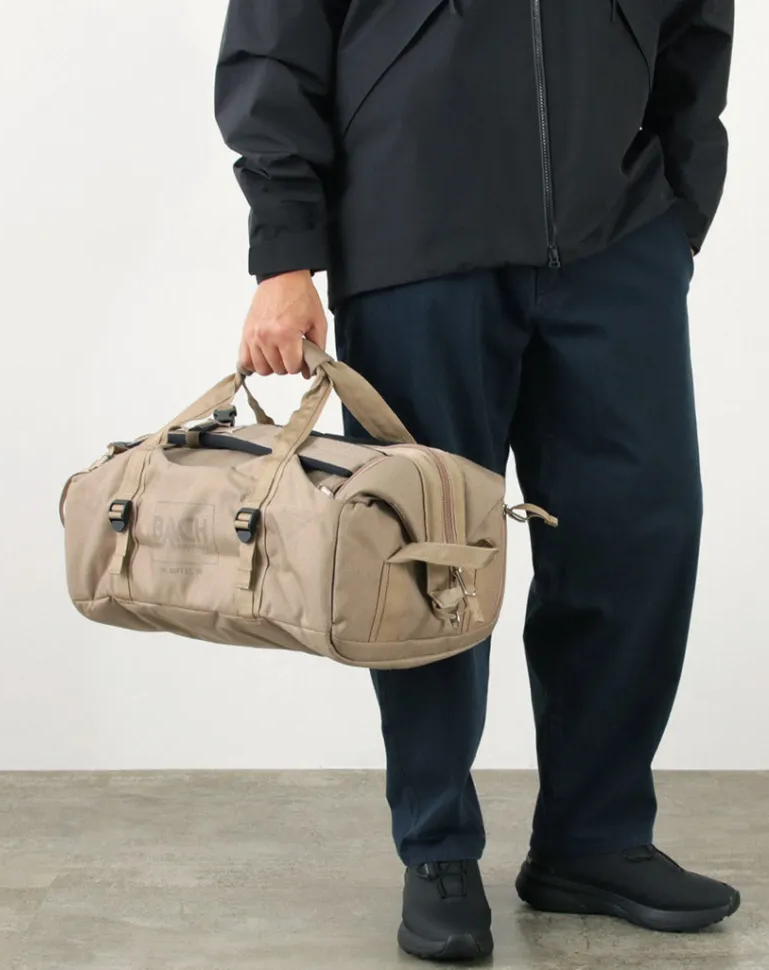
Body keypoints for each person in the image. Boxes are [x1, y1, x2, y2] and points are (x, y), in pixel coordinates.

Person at [215, 0, 737, 960]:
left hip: (619, 235)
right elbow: (274, 39)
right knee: (422, 557)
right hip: (414, 234)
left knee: (637, 534)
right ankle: (438, 848)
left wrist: (678, 211)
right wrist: (286, 249)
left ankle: (594, 838)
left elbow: (696, 30)